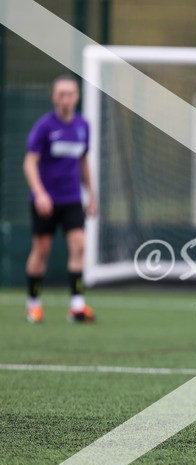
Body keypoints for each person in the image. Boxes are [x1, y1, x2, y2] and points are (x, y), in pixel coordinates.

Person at [23, 75, 97, 324]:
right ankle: (33, 305)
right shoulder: (44, 126)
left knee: (79, 246)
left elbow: (83, 161)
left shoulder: (83, 126)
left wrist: (92, 196)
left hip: (72, 199)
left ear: (77, 97)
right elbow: (29, 163)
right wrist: (40, 193)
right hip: (45, 201)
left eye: (70, 94)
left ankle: (77, 307)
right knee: (41, 250)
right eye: (61, 94)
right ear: (54, 97)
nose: (65, 99)